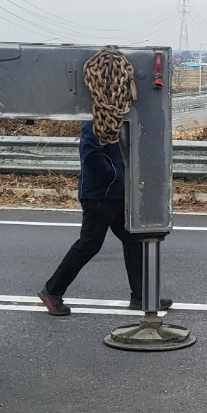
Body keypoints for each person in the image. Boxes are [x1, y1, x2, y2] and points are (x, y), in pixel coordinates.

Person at [38, 120, 172, 315]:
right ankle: (52, 291)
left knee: (132, 238)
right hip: (99, 195)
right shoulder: (95, 121)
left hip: (118, 193)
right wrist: (116, 177)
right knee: (89, 244)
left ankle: (140, 297)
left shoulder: (125, 119)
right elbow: (91, 155)